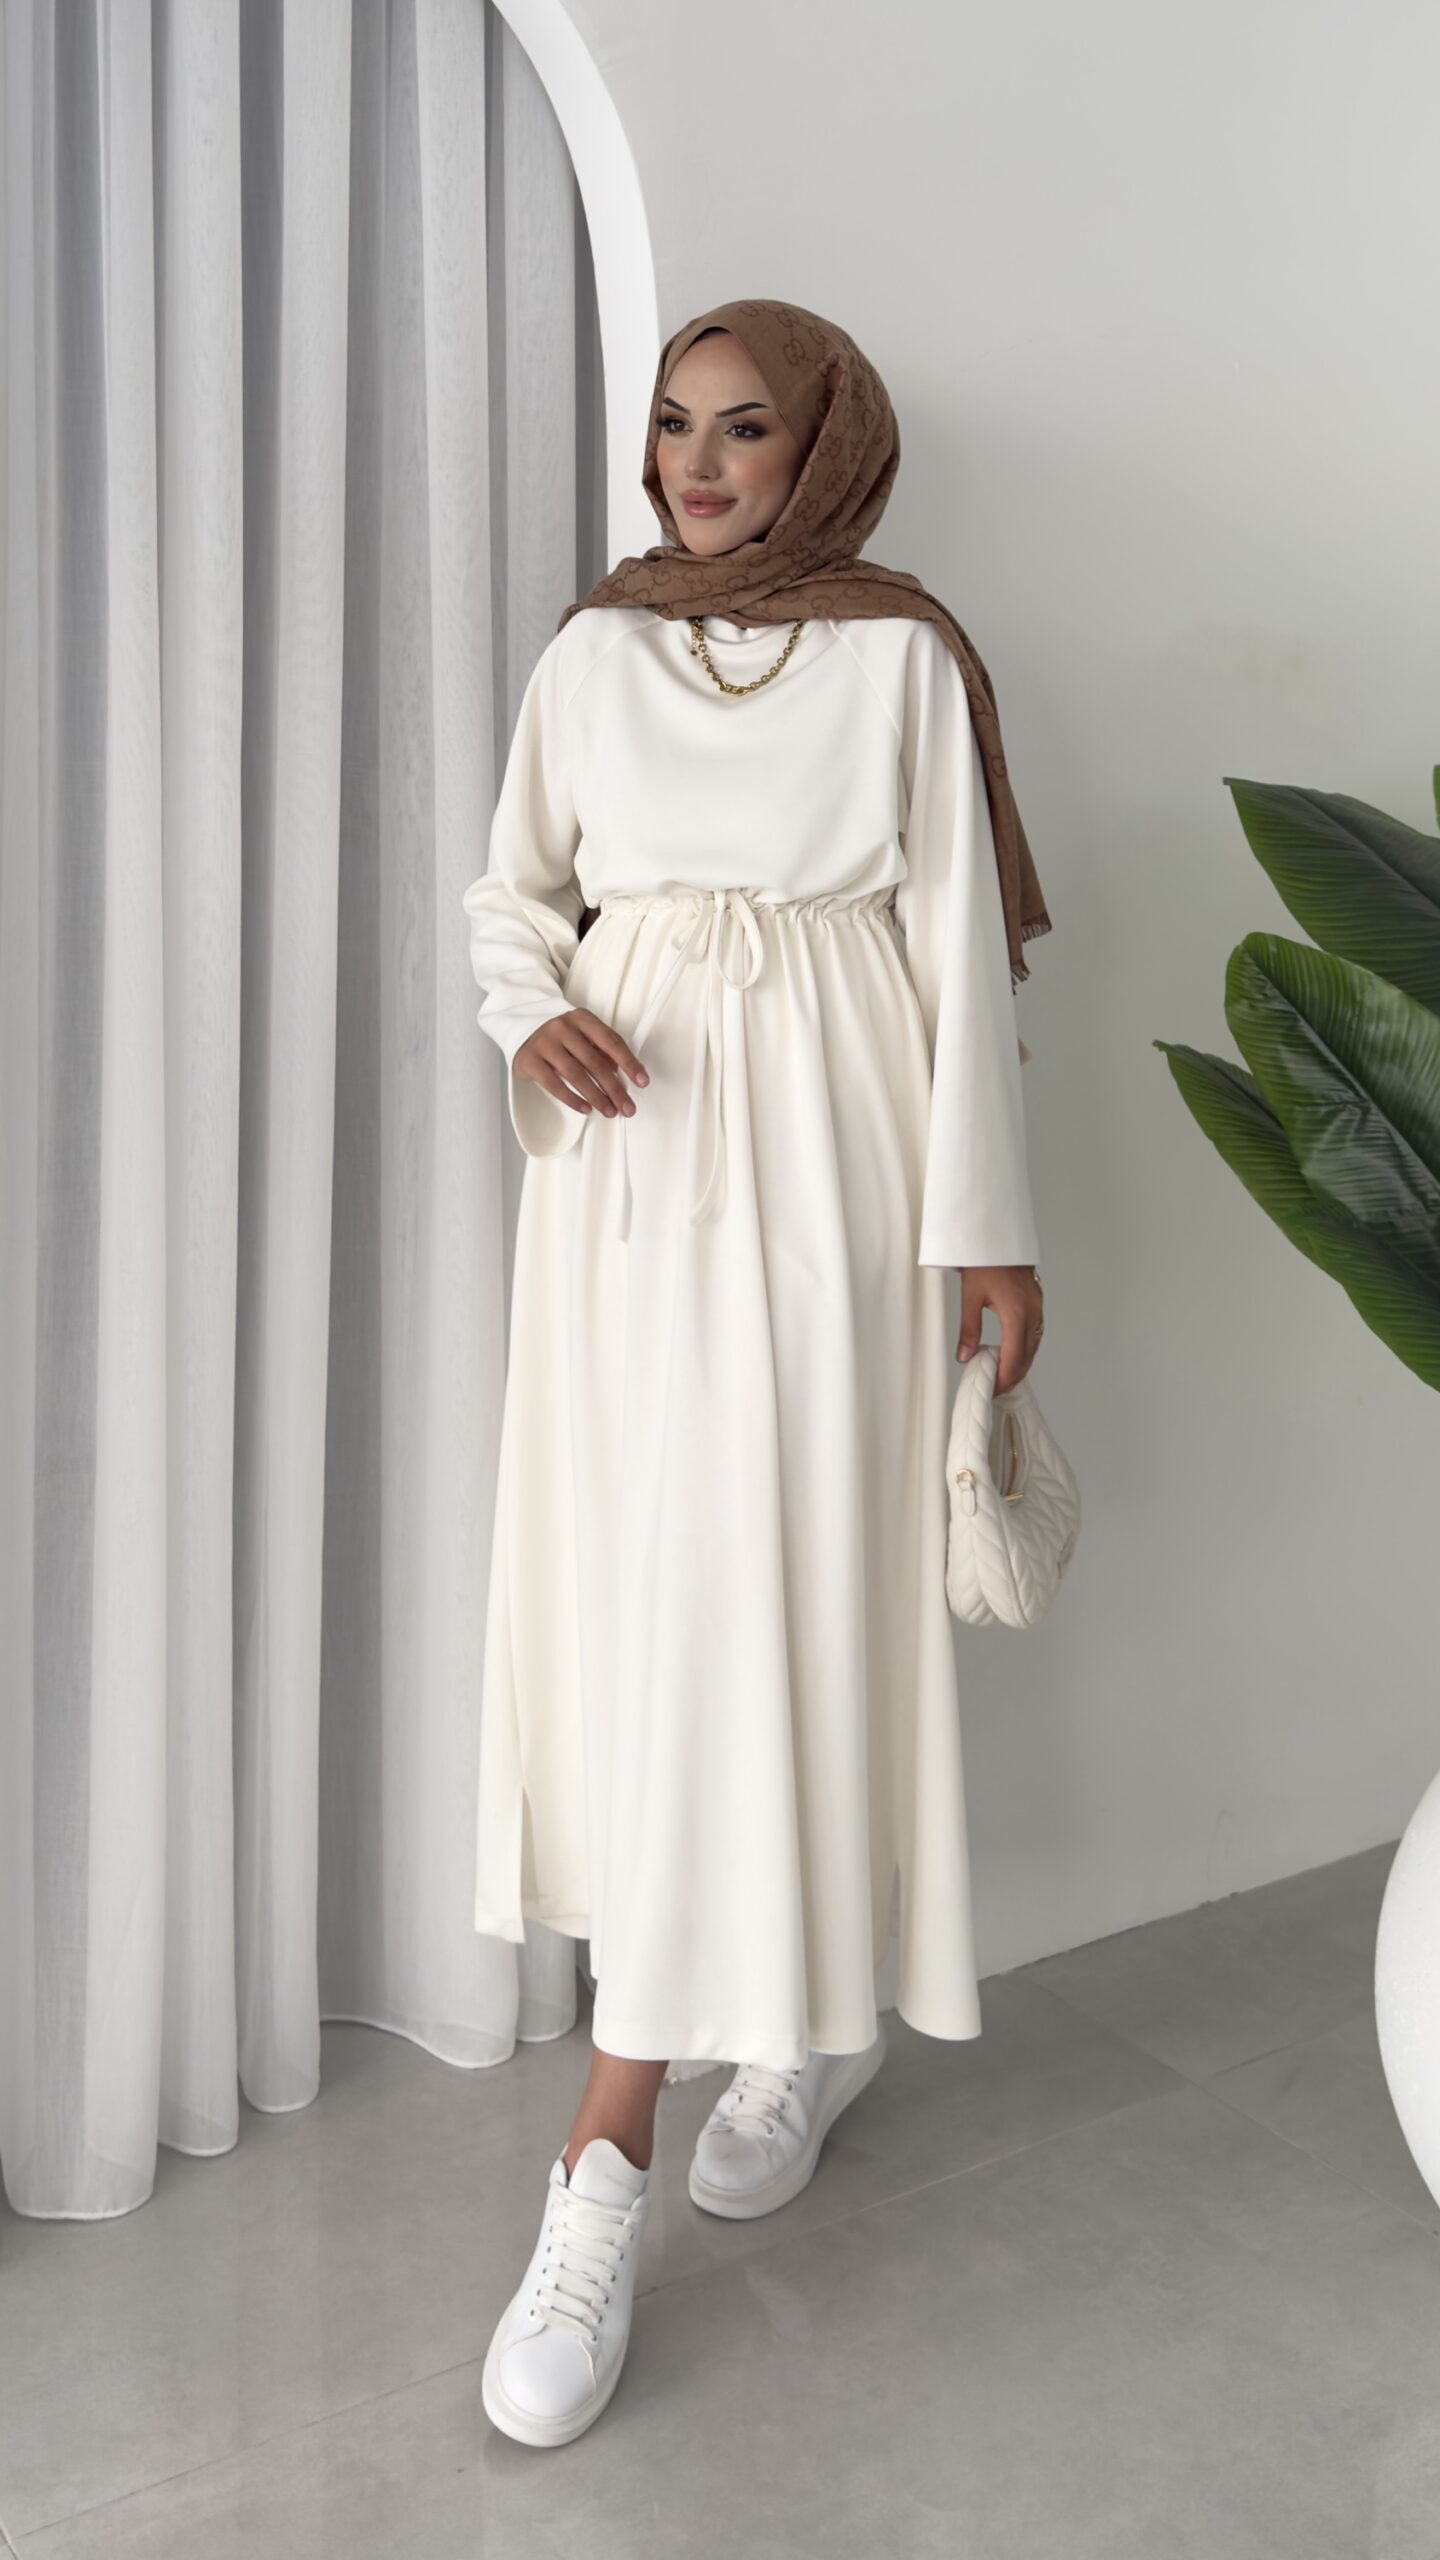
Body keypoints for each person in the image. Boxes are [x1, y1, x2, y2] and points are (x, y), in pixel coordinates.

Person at [463, 298, 1053, 2448]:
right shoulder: (592, 654)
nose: (697, 466)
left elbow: (956, 947)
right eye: (673, 427)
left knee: (786, 1589)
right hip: (626, 1176)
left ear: (826, 451)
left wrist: (990, 1230)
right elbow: (512, 892)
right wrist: (529, 1008)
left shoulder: (905, 659)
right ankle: (773, 2028)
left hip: (833, 1154)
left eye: (744, 429)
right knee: (649, 1599)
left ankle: (621, 2142)